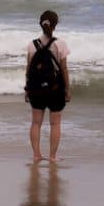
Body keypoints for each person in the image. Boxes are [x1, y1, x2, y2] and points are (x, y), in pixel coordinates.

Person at [24, 10, 71, 163]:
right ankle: (52, 157)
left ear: (41, 24)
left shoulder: (32, 45)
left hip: (36, 89)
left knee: (36, 123)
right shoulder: (60, 44)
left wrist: (27, 89)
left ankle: (37, 155)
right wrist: (67, 89)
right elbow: (63, 69)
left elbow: (29, 69)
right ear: (55, 25)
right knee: (55, 123)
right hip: (55, 90)